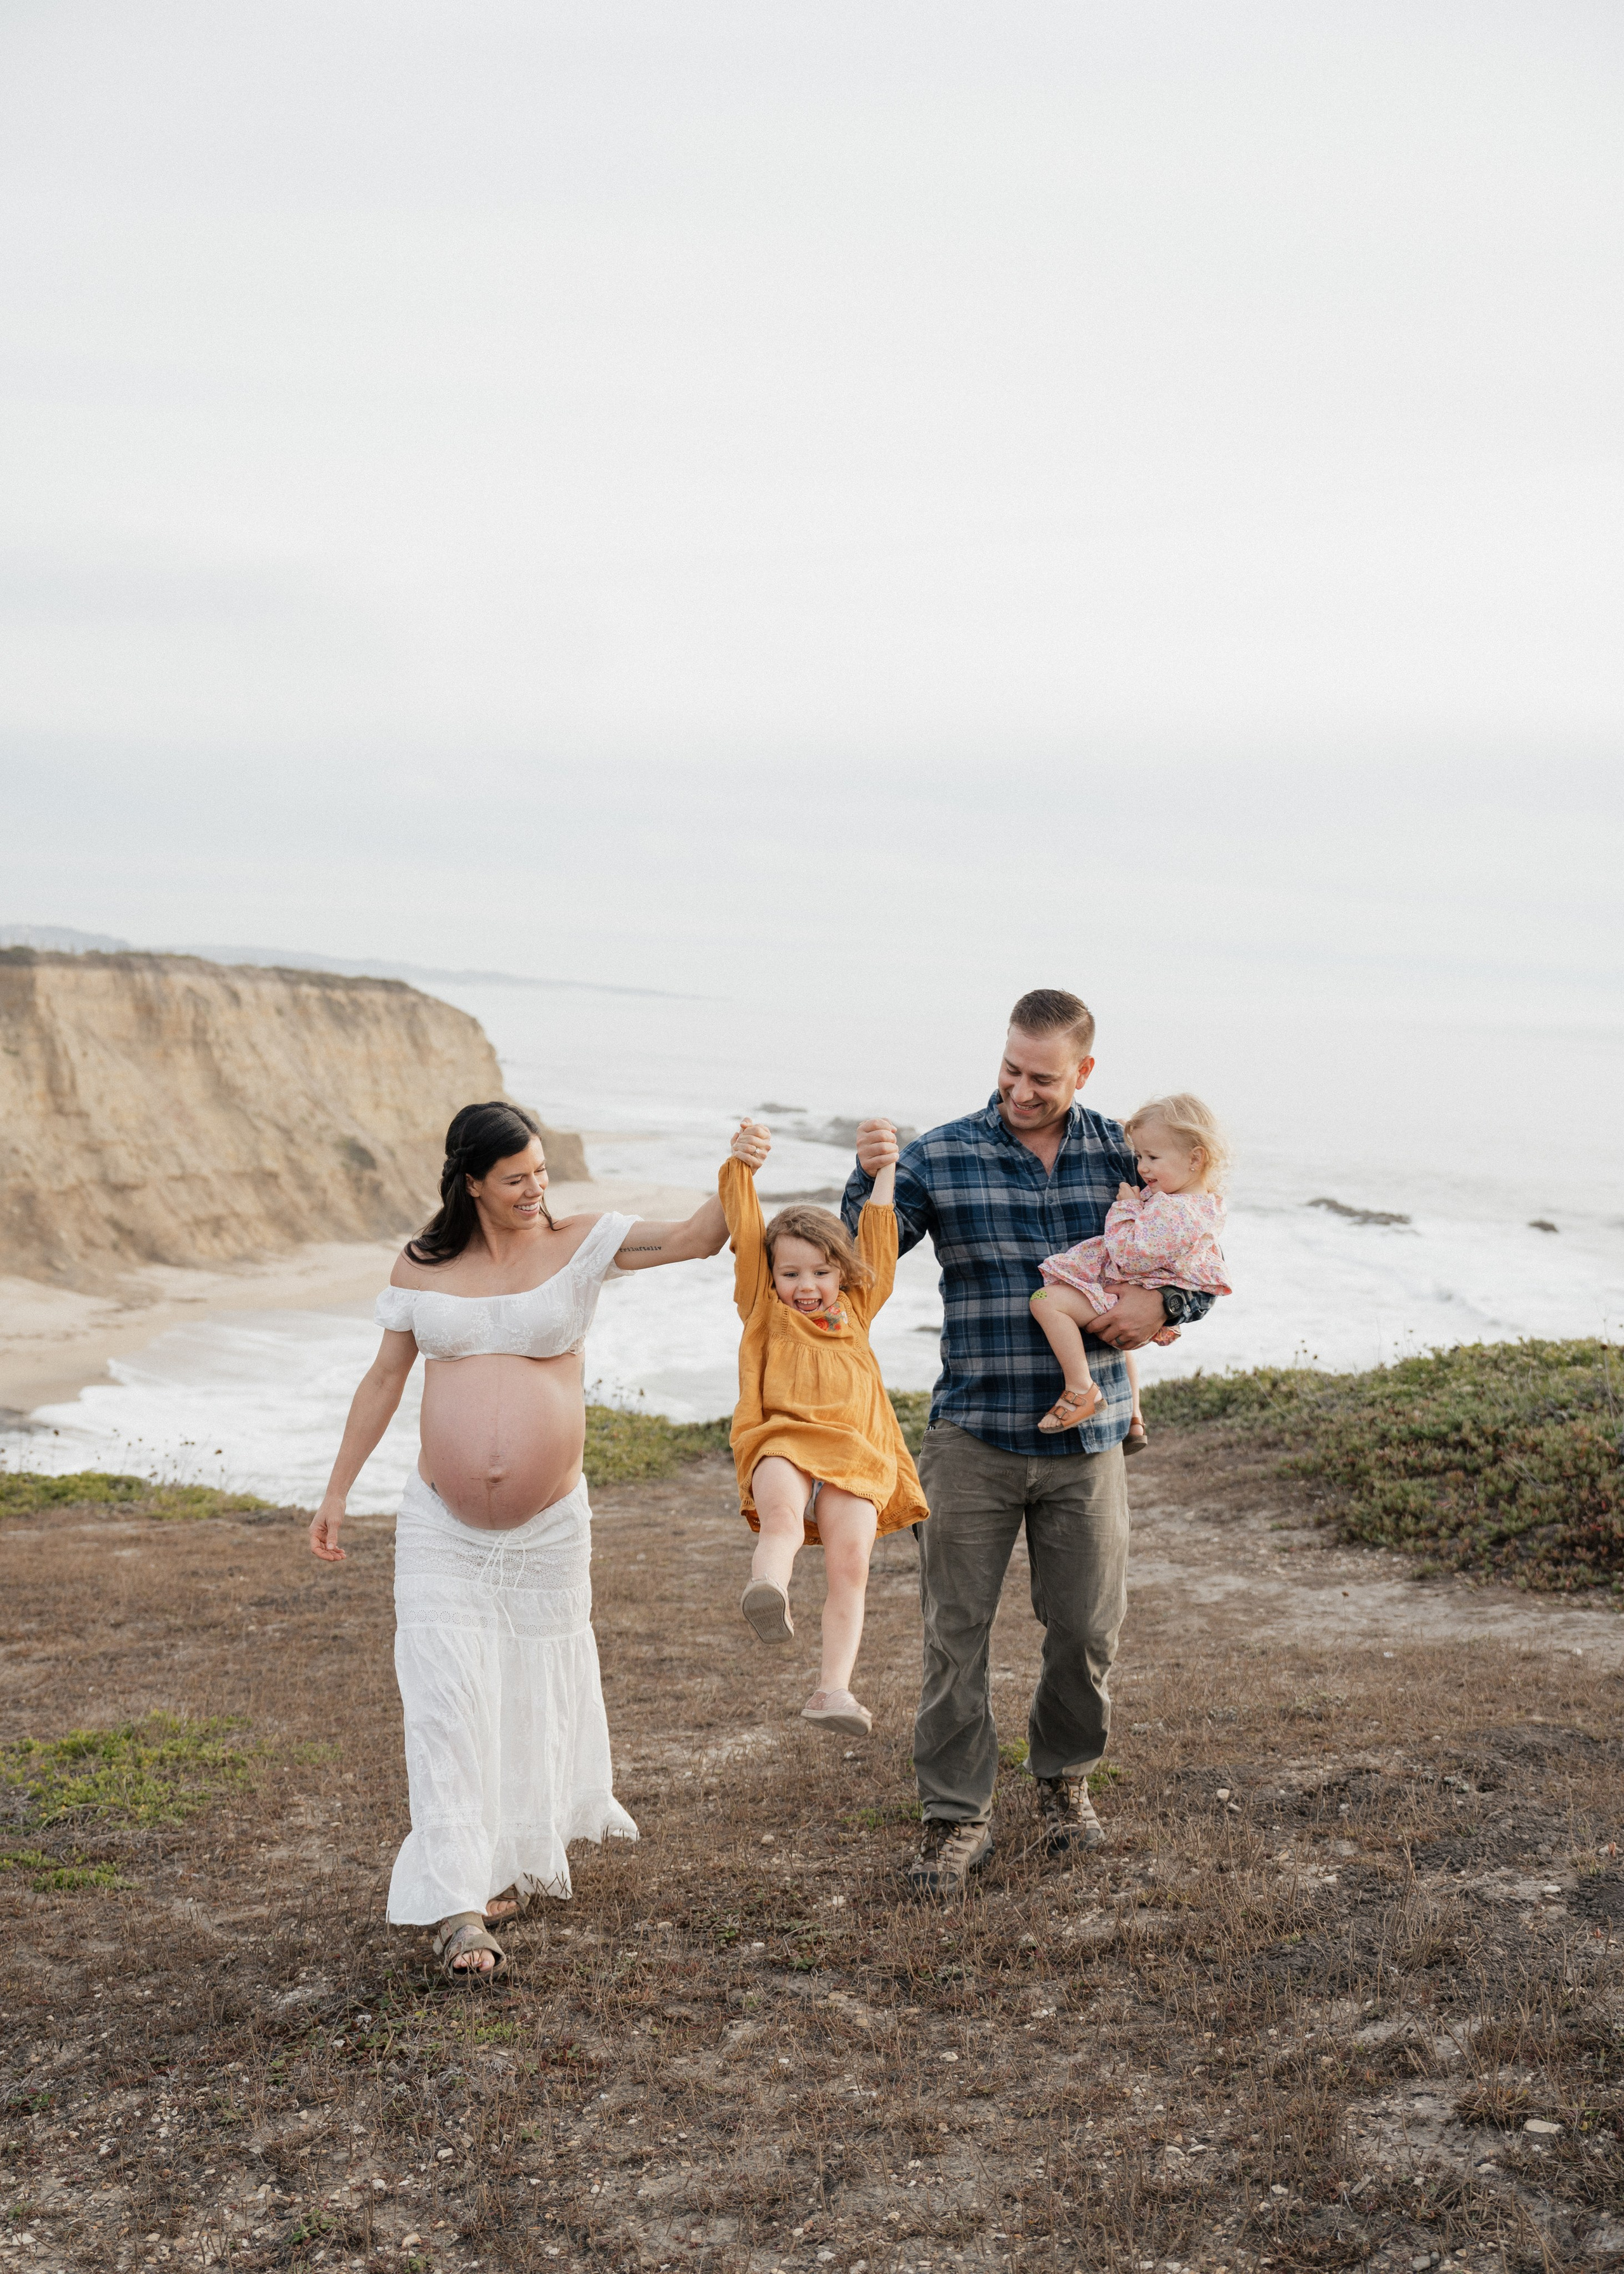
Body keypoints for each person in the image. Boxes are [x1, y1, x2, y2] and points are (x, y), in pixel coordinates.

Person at [309, 1099, 753, 1981]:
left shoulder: (582, 1242)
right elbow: (383, 1381)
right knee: (442, 1701)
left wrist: (738, 1167)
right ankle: (457, 1909)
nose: (534, 1190)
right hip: (440, 1524)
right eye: (515, 1179)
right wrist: (335, 1493)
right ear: (470, 1182)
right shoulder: (423, 1263)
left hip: (549, 1528)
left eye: (542, 1174)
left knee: (524, 1693)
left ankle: (501, 1861)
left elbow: (702, 1238)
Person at [841, 990, 1215, 1898]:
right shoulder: (944, 1151)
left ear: (1083, 1072)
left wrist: (1165, 1307)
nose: (1020, 1087)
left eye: (1042, 1076)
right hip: (972, 1434)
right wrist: (870, 1178)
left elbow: (1196, 1254)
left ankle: (1064, 1783)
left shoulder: (1124, 1155)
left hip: (1089, 1443)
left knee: (1086, 1629)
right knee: (953, 1634)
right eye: (1010, 1068)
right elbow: (865, 1259)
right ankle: (955, 1819)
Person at [722, 1117, 927, 1738]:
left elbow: (879, 1228)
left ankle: (831, 1689)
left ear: (843, 1272)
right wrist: (741, 1166)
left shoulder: (858, 1307)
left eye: (819, 1272)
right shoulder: (761, 1305)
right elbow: (743, 1220)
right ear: (771, 1275)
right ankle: (768, 1588)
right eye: (790, 1273)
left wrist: (886, 1168)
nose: (805, 1285)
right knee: (783, 1517)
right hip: (780, 1437)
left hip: (857, 1451)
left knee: (851, 1565)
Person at [1030, 1093, 1231, 1438]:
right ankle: (1134, 1418)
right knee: (1117, 1344)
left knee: (1046, 1302)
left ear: (1196, 1158)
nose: (1141, 1168)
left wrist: (1127, 1208)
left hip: (1130, 1292)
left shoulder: (1177, 1211)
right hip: (1135, 1295)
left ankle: (1081, 1389)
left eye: (1152, 1157)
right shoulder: (1195, 1204)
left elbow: (1129, 1254)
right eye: (1139, 1155)